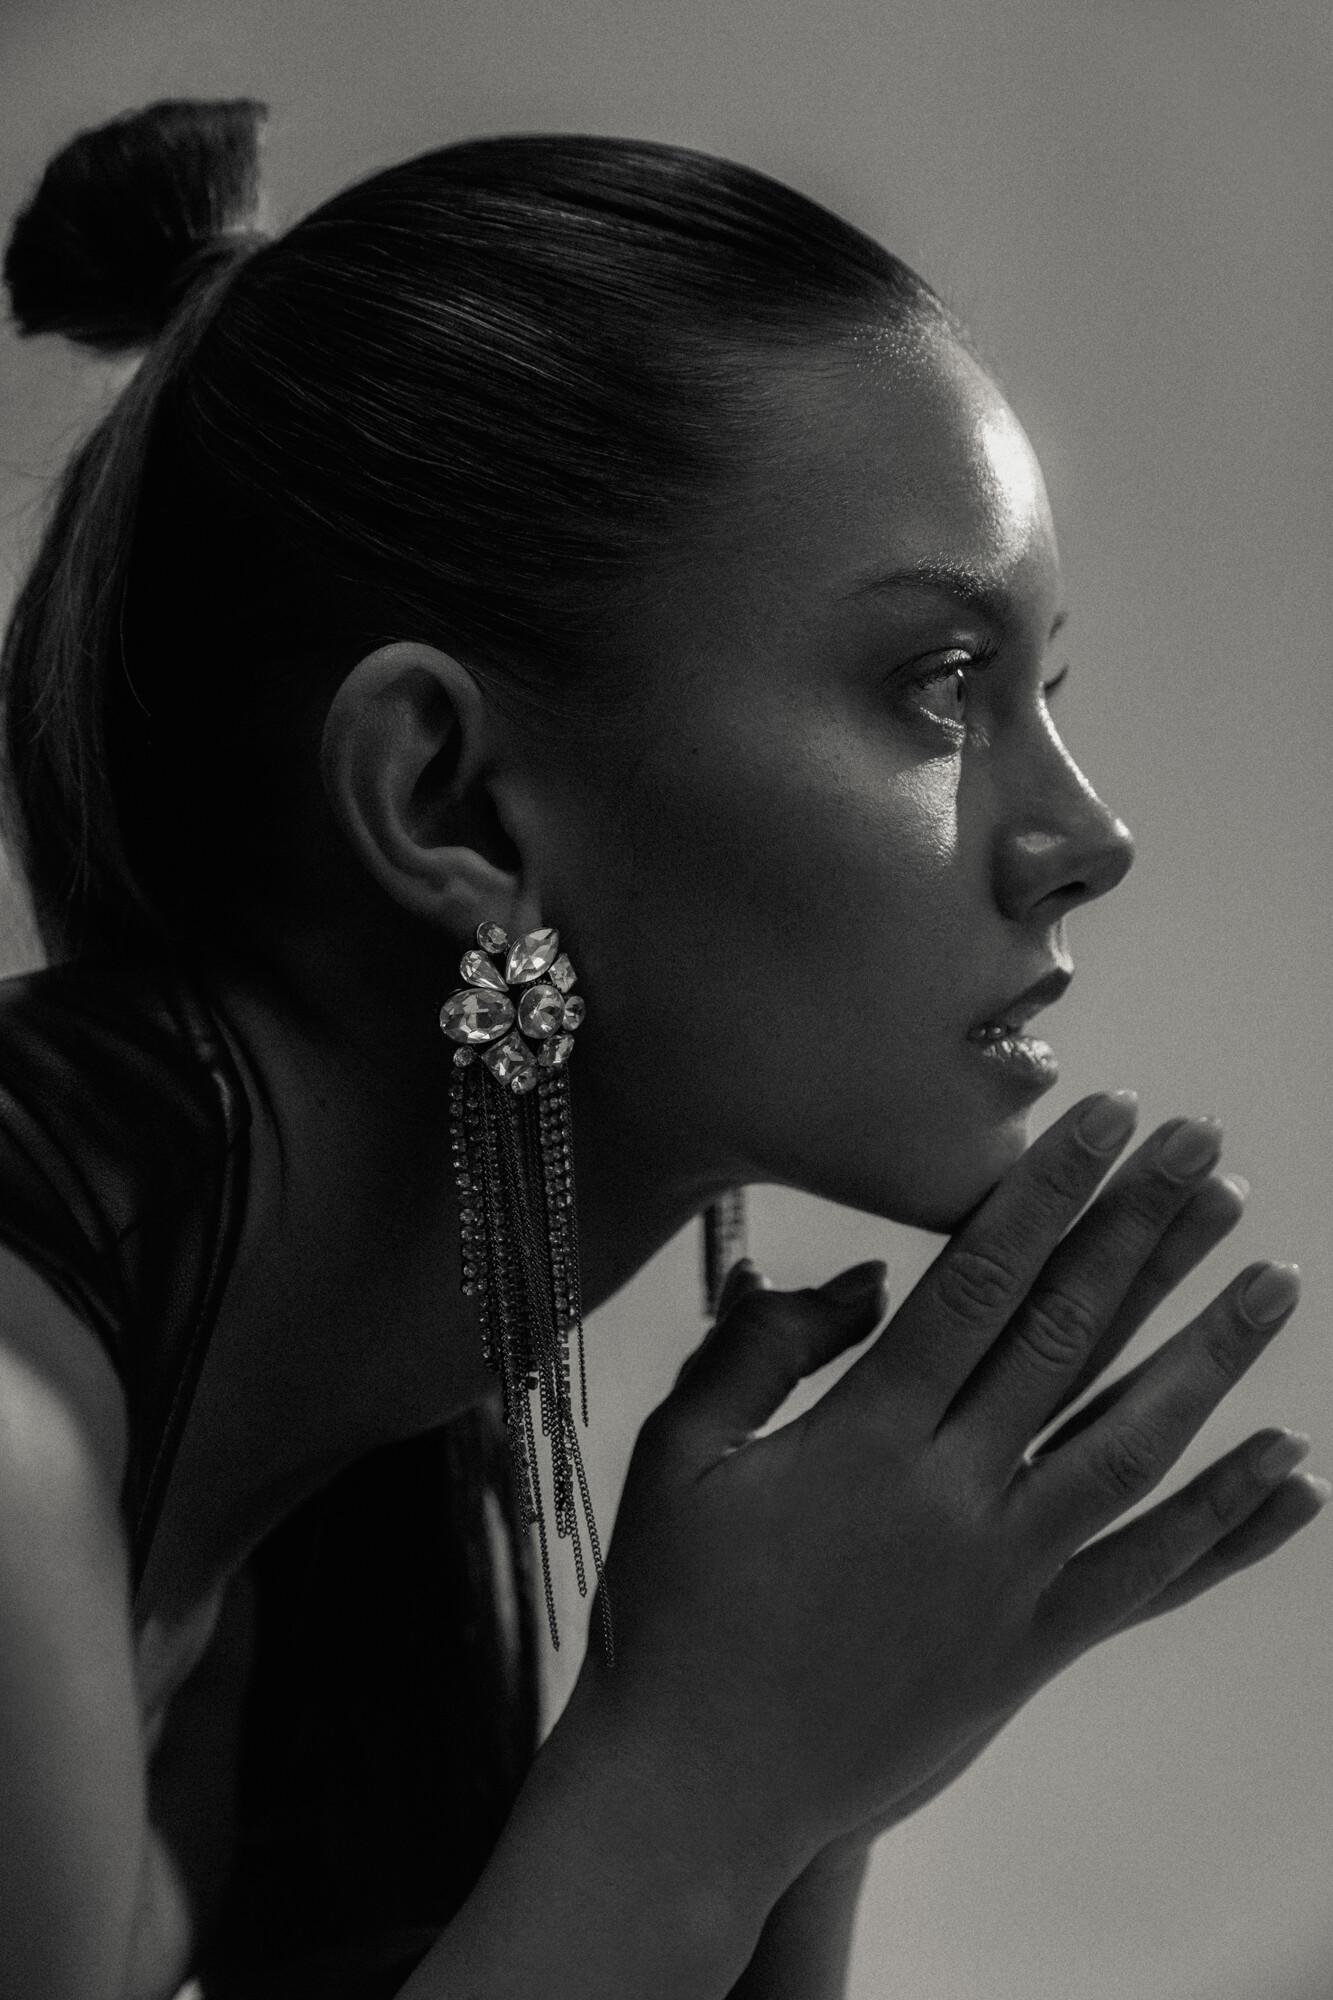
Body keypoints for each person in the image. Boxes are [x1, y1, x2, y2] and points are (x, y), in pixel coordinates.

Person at [0, 96, 1323, 2000]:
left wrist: (806, 1779)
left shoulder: (287, 1538)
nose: (1085, 838)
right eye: (939, 684)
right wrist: (703, 1797)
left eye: (1043, 689)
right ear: (449, 800)